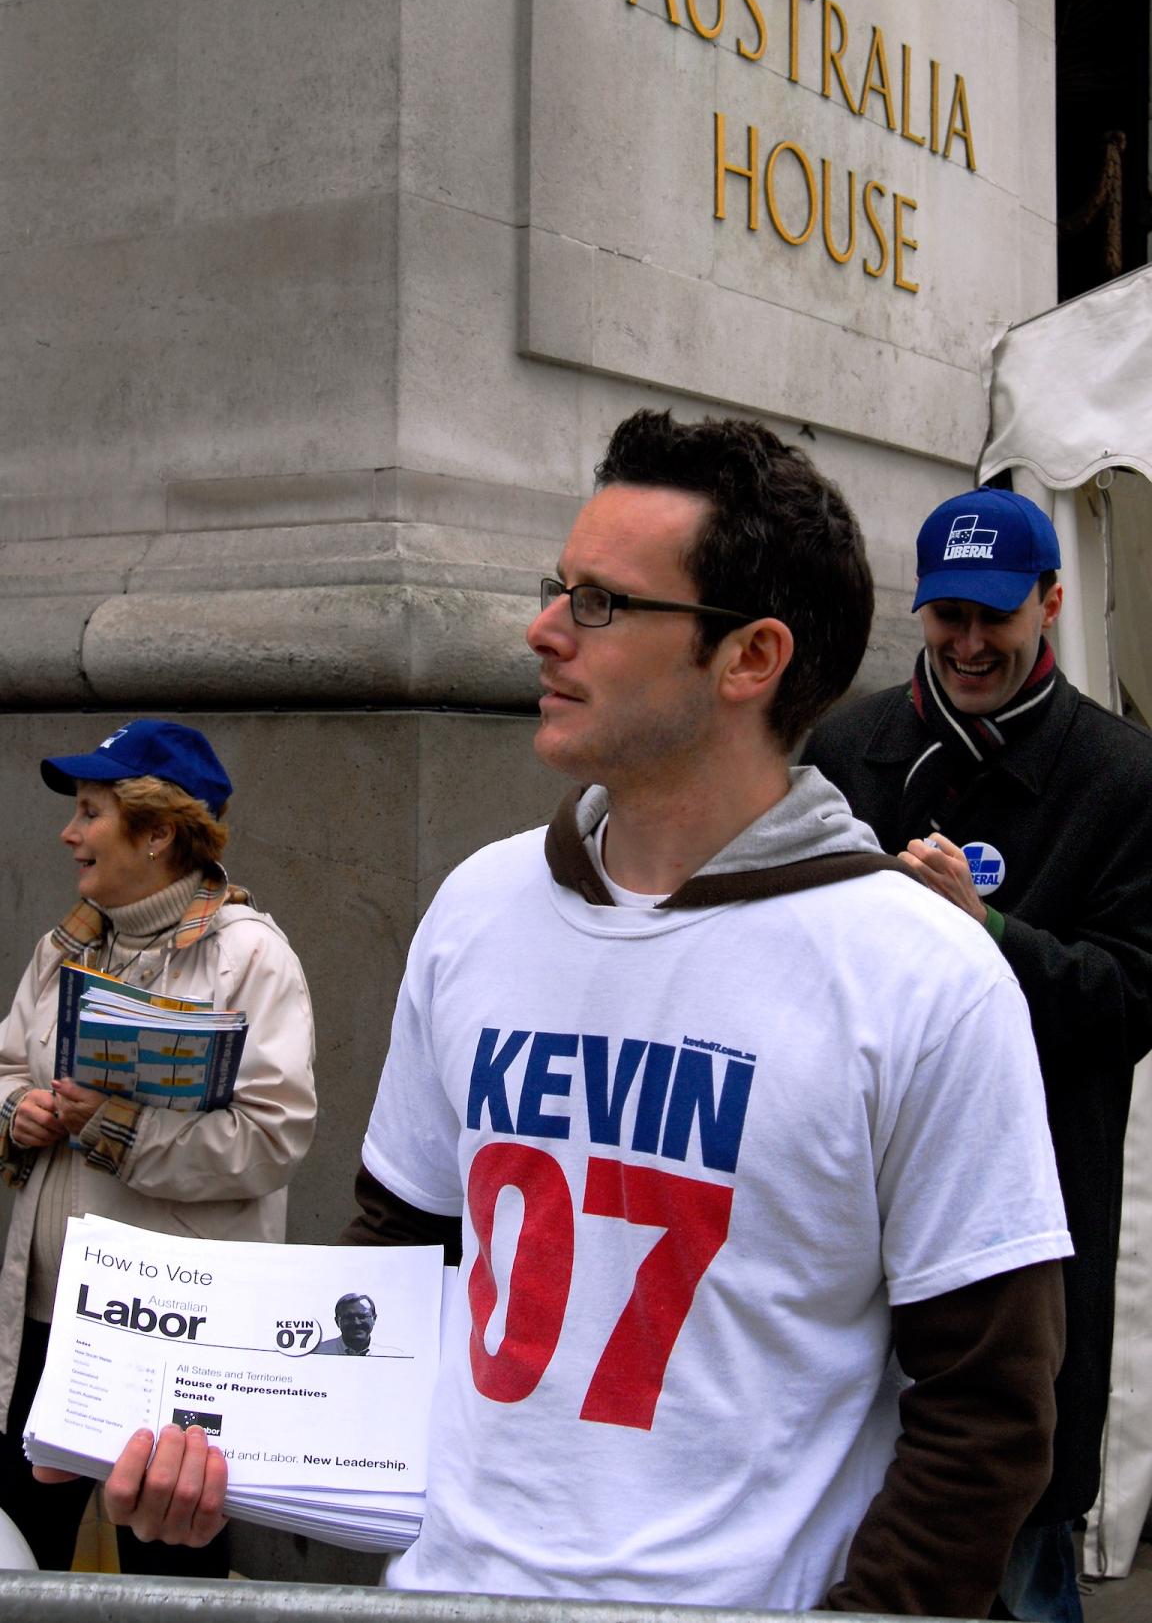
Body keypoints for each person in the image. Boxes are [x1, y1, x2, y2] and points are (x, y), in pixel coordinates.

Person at [98, 415, 1070, 1616]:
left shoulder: (924, 971)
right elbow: (398, 1271)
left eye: (603, 602)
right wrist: (219, 1451)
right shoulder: (479, 905)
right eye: (558, 585)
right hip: (444, 1593)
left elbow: (990, 1403)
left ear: (750, 656)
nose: (542, 627)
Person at [804, 485, 1152, 1623]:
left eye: (993, 615)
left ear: (1051, 603)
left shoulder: (1123, 774)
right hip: (846, 1227)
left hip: (1023, 1232)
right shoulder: (849, 746)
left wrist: (986, 933)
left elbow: (1129, 999)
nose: (966, 642)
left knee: (1015, 1549)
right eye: (945, 612)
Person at [1, 719, 317, 1576]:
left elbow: (271, 1138)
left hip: (171, 1328)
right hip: (43, 1318)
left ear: (157, 831)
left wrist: (112, 1127)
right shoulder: (64, 947)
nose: (69, 835)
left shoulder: (251, 958)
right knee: (20, 1542)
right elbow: (3, 1064)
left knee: (166, 1561)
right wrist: (18, 1112)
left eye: (91, 812)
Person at [312, 1293, 378, 1355]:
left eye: (362, 1316)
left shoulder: (386, 1354)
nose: (356, 1323)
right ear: (337, 1321)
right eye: (349, 1317)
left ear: (374, 1319)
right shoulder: (318, 1353)